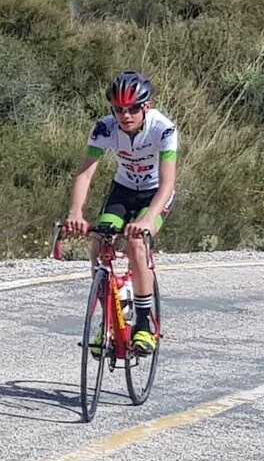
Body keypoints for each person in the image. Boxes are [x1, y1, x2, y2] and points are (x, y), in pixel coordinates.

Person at [62, 70, 179, 352]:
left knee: (137, 243)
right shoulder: (104, 128)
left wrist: (149, 219)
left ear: (146, 106)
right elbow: (85, 175)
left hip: (154, 193)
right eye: (119, 110)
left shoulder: (163, 129)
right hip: (123, 190)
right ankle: (107, 322)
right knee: (100, 240)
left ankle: (143, 325)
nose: (125, 116)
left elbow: (168, 182)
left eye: (133, 109)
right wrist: (75, 212)